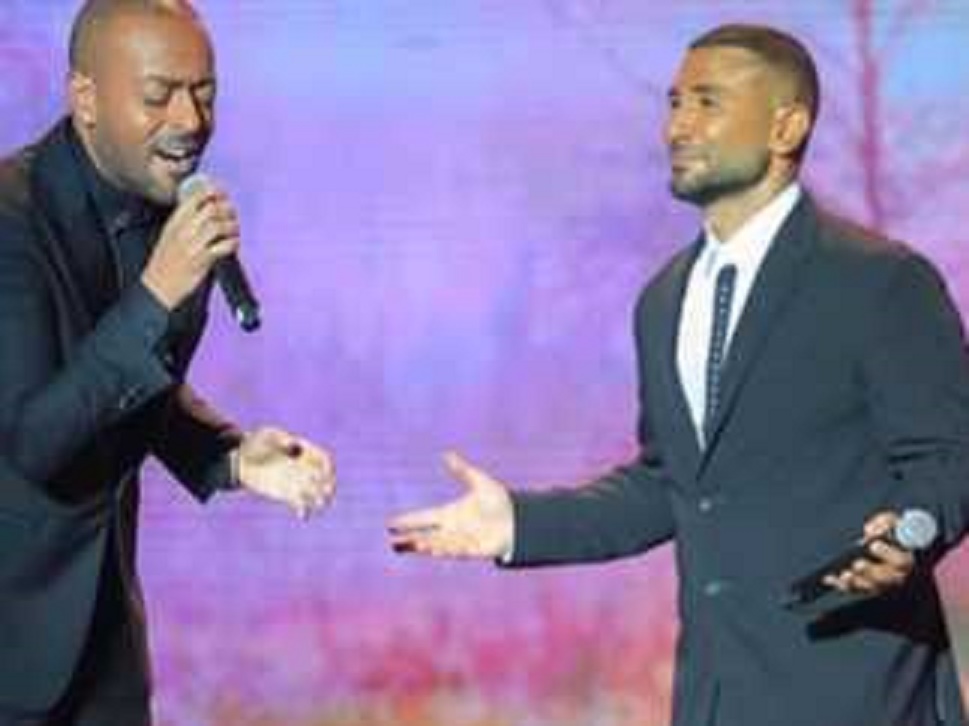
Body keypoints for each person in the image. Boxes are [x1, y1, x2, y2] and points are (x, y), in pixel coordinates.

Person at [389, 23, 969, 726]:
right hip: (714, 700)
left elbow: (948, 458)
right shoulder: (662, 300)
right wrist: (518, 523)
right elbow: (673, 485)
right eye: (673, 103)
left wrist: (908, 536)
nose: (677, 126)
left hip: (861, 697)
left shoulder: (878, 281)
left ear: (785, 127)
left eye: (706, 102)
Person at [0, 1, 336, 724]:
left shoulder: (169, 214)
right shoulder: (9, 222)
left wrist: (227, 456)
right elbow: (34, 441)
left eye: (204, 92)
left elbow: (131, 389)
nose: (189, 120)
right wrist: (157, 295)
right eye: (159, 96)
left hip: (103, 639)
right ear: (85, 98)